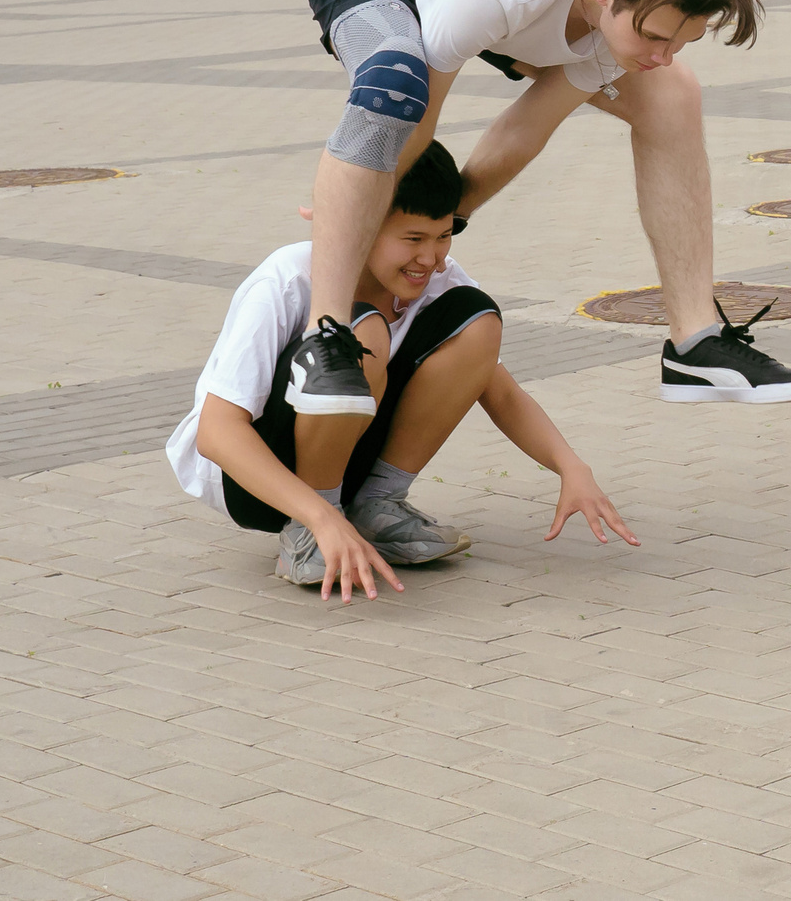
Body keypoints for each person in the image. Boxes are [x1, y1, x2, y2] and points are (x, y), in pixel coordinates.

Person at [297, 0, 791, 409]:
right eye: (654, 36)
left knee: (671, 93)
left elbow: (531, 123)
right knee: (397, 82)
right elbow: (417, 124)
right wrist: (355, 216)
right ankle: (322, 337)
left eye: (681, 40)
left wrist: (452, 216)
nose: (663, 53)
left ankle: (693, 346)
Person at [165, 141, 637, 599]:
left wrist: (570, 468)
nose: (430, 259)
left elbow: (498, 388)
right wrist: (322, 517)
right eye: (412, 239)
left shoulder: (439, 277)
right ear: (359, 225)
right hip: (254, 484)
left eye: (443, 235)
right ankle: (308, 533)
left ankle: (377, 507)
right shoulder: (288, 278)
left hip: (347, 458)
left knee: (475, 318)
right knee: (363, 331)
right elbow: (217, 433)